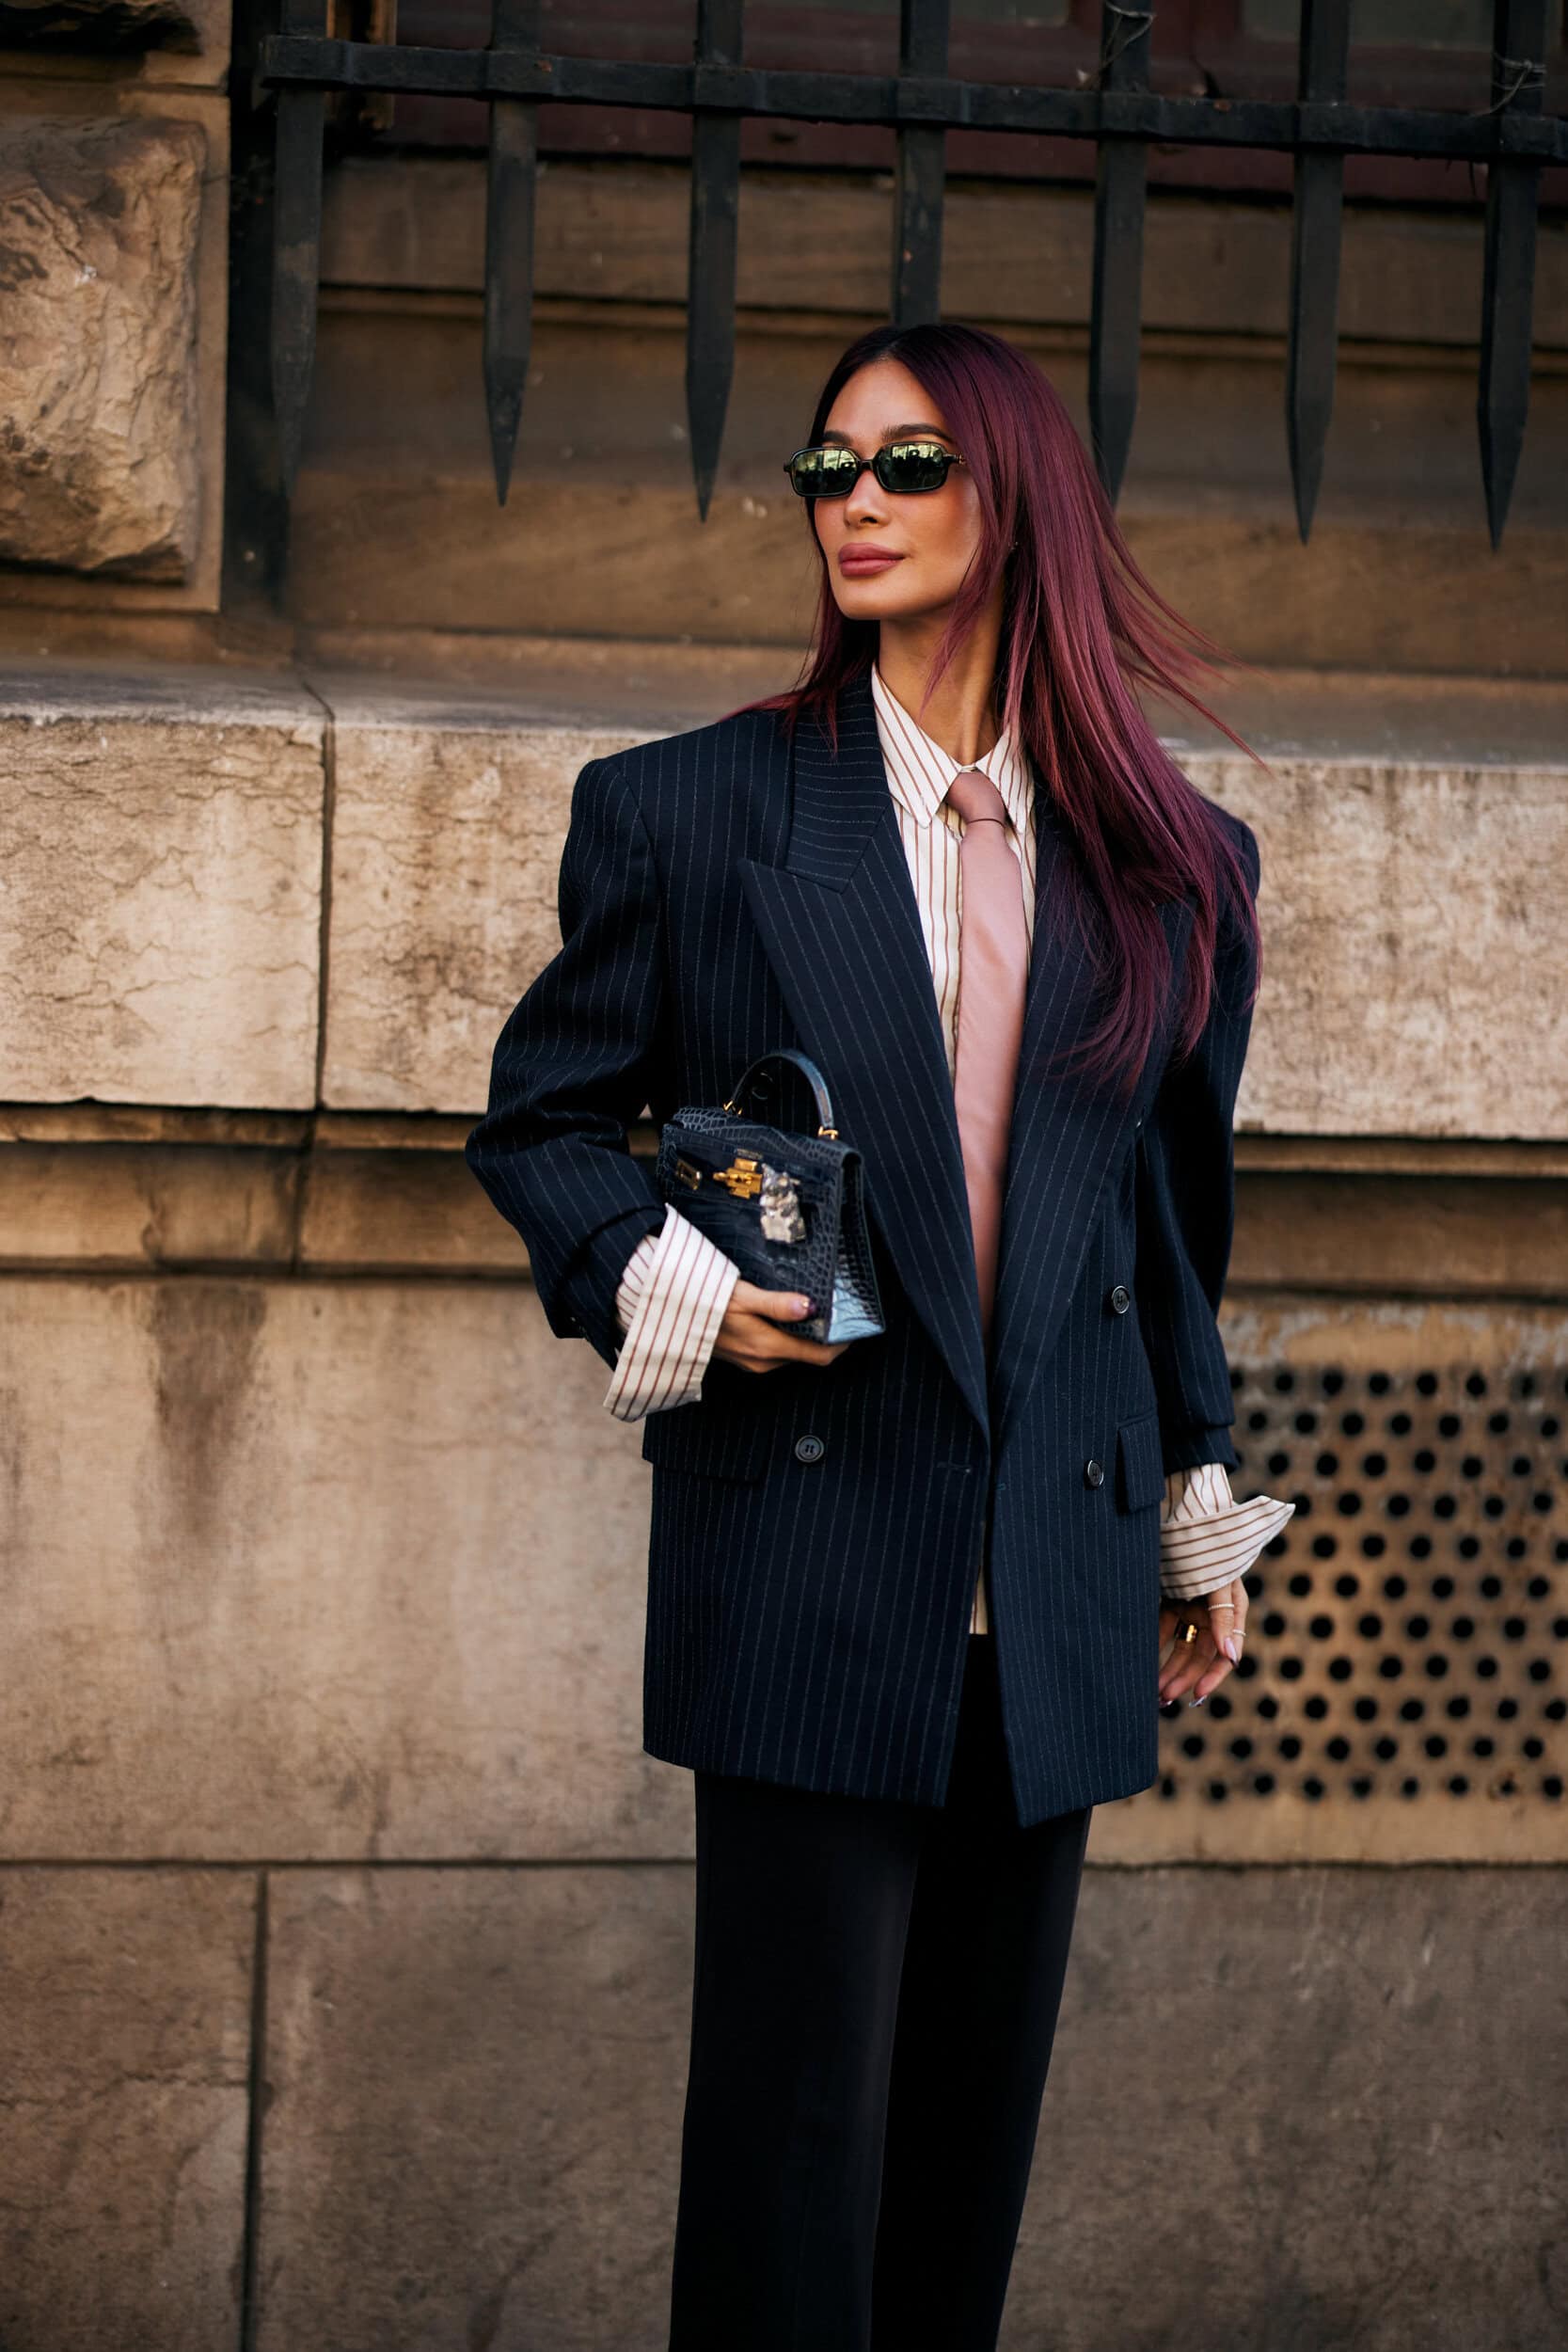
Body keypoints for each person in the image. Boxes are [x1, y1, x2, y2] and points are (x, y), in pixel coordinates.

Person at [466, 320, 1292, 2352]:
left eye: (908, 464)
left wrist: (1196, 1499)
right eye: (827, 467)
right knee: (794, 2159)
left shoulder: (1176, 863)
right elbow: (544, 1125)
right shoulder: (692, 809)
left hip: (1059, 1562)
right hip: (814, 1549)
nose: (854, 502)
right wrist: (675, 1286)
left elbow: (1163, 1215)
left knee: (961, 2171)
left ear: (1020, 497)